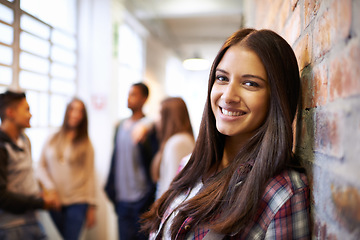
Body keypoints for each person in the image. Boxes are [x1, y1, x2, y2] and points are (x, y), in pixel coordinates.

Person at [142, 28, 311, 239]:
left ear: (277, 97)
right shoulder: (188, 165)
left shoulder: (283, 193)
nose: (228, 95)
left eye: (250, 83)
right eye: (222, 78)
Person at [104, 82, 159, 240]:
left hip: (141, 199)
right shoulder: (120, 126)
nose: (128, 98)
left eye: (133, 94)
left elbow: (153, 160)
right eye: (128, 94)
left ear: (144, 99)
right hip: (122, 199)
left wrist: (149, 194)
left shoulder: (148, 129)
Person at [37, 98, 96, 240]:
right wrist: (51, 189)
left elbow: (90, 177)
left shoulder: (86, 144)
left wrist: (92, 207)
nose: (75, 114)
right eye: (72, 109)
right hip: (54, 201)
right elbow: (40, 167)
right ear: (67, 111)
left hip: (78, 202)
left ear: (83, 116)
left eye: (80, 111)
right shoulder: (52, 138)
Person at [0, 90, 56, 240]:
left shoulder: (25, 140)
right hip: (11, 227)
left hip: (32, 220)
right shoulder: (2, 147)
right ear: (10, 113)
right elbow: (2, 197)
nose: (30, 115)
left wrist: (41, 193)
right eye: (26, 110)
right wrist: (40, 203)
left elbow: (25, 177)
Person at [150, 97, 195, 199]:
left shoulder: (178, 143)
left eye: (160, 114)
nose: (157, 119)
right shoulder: (180, 139)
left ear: (169, 117)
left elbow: (171, 188)